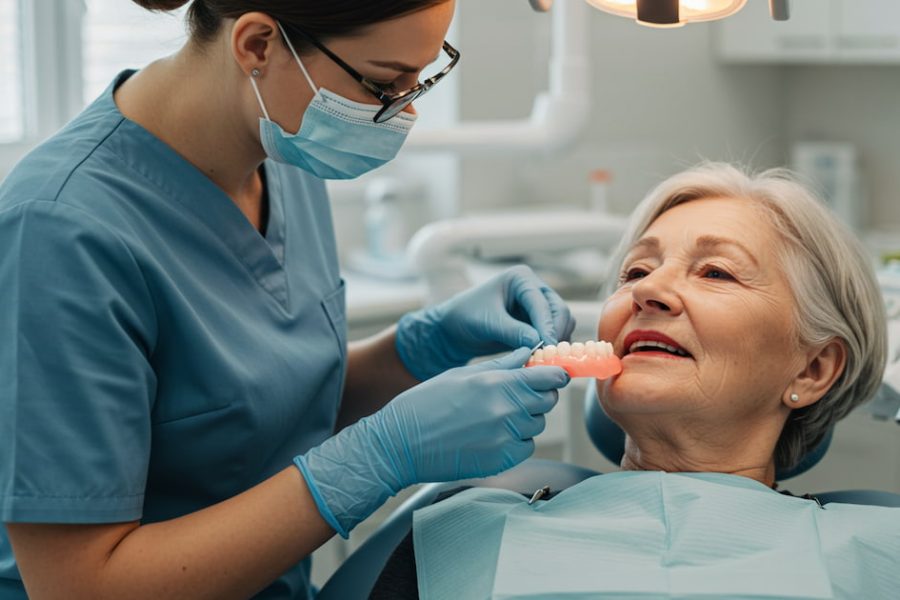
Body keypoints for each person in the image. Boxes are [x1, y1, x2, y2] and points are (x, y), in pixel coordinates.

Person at [0, 1, 576, 598]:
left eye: (423, 75)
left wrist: (420, 348)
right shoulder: (60, 230)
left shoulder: (284, 147)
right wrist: (378, 457)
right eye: (382, 84)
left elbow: (256, 411)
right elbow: (77, 586)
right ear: (257, 45)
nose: (406, 110)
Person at [370, 162, 897, 599]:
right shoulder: (461, 530)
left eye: (716, 272)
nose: (649, 291)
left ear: (813, 369)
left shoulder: (881, 554)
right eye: (636, 272)